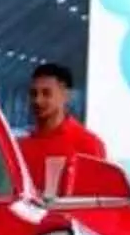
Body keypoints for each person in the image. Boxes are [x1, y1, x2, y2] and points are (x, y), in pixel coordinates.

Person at [18, 62, 107, 195]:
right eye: (33, 94)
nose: (37, 100)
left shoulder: (88, 144)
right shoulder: (20, 147)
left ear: (66, 96)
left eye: (46, 93)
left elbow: (98, 195)